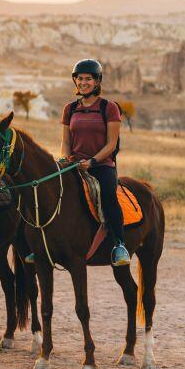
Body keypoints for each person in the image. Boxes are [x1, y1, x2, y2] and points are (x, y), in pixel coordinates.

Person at [60, 59, 130, 267]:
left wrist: (92, 161)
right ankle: (44, 244)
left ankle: (119, 244)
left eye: (88, 79)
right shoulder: (70, 109)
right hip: (74, 165)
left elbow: (111, 144)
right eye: (80, 79)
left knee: (108, 195)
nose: (83, 82)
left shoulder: (109, 108)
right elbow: (65, 141)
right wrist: (65, 159)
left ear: (97, 81)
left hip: (101, 165)